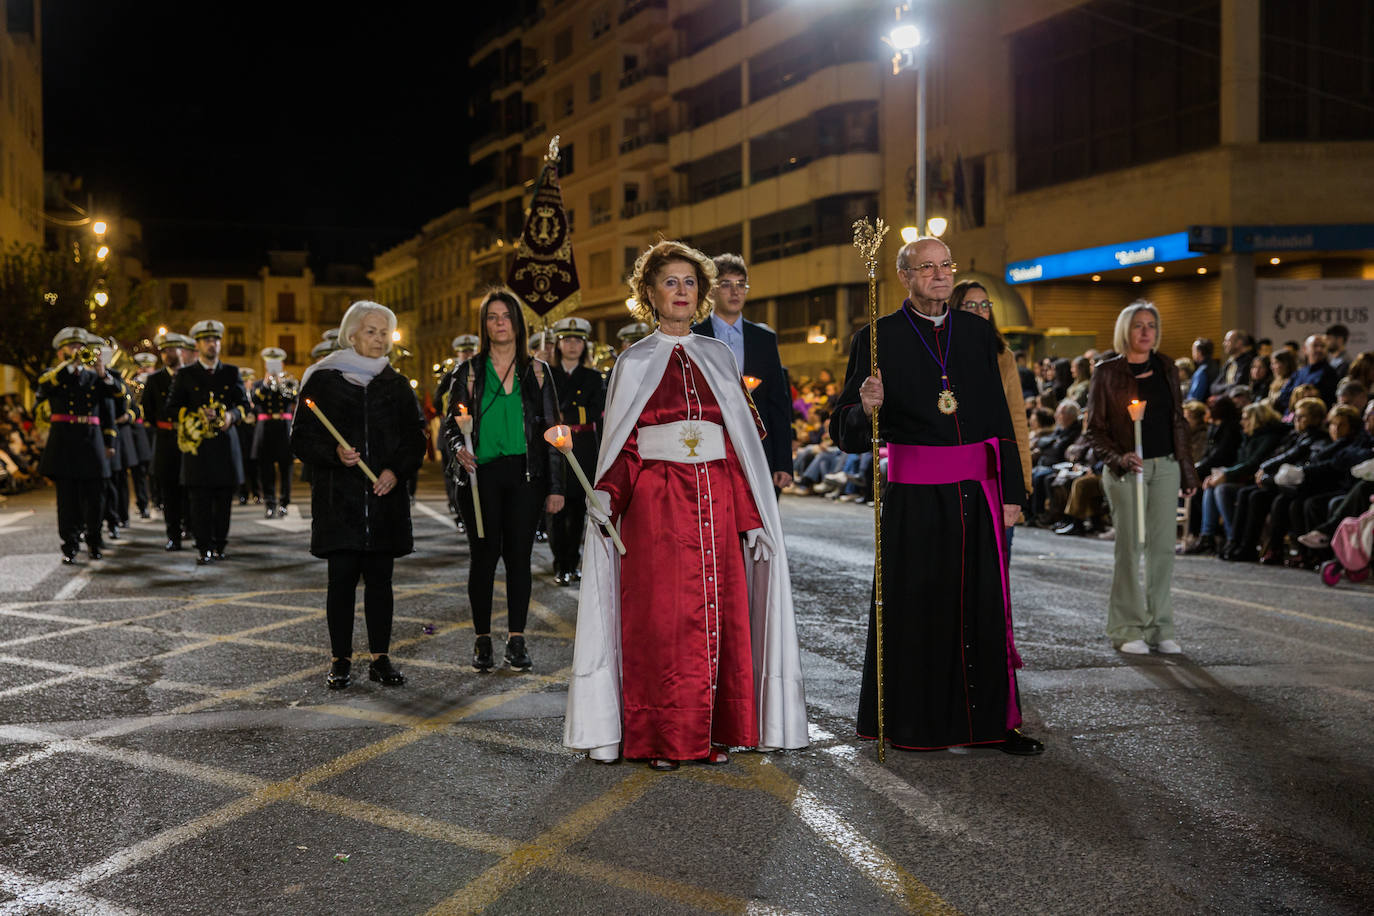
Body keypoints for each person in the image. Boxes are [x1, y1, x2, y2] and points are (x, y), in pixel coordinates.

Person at [564, 239, 808, 769]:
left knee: (717, 619)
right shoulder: (633, 362)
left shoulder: (720, 357)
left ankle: (710, 735)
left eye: (690, 282)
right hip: (656, 508)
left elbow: (739, 447)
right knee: (662, 623)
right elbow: (626, 446)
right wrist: (606, 494)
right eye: (670, 282)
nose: (681, 291)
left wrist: (753, 517)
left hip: (718, 505)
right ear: (650, 293)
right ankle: (658, 738)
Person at [828, 236, 1040, 755]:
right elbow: (845, 432)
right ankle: (917, 725)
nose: (940, 275)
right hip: (915, 498)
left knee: (982, 608)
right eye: (927, 267)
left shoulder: (977, 333)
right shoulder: (877, 338)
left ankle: (992, 725)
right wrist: (865, 407)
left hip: (976, 491)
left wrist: (1013, 490)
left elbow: (1001, 420)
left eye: (946, 266)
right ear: (905, 276)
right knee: (919, 609)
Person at [294, 301, 426, 689]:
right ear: (352, 335)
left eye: (385, 332)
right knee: (342, 583)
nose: (379, 339)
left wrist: (394, 471)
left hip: (384, 500)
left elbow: (415, 437)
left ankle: (380, 658)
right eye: (371, 331)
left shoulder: (396, 384)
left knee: (381, 583)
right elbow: (301, 438)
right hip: (340, 502)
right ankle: (340, 659)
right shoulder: (323, 380)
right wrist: (333, 454)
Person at [443, 288, 565, 672]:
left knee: (518, 559)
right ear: (485, 325)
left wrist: (556, 486)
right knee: (482, 559)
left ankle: (516, 638)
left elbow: (554, 432)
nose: (499, 323)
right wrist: (456, 449)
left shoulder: (539, 372)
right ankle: (482, 639)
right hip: (481, 477)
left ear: (518, 323)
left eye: (506, 316)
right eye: (492, 317)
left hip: (526, 476)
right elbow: (451, 424)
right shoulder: (469, 371)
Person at [1085, 300, 1199, 655]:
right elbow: (1095, 430)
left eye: (1151, 324)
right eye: (1138, 325)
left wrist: (1186, 468)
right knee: (1130, 548)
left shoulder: (1167, 367)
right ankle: (1126, 627)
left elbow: (1178, 422)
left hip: (1164, 466)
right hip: (1126, 471)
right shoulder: (1106, 373)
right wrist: (1119, 458)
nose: (1146, 331)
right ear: (1125, 331)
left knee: (1164, 549)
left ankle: (1160, 627)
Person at [691, 253, 794, 493]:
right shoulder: (694, 337)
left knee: (763, 524)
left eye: (740, 285)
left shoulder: (764, 338)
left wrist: (784, 463)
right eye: (726, 284)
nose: (735, 292)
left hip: (759, 448)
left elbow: (778, 403)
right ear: (711, 290)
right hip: (710, 447)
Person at [166, 319, 249, 565]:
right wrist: (195, 416)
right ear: (198, 344)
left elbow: (243, 405)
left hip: (224, 445)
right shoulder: (186, 374)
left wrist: (231, 416)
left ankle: (220, 544)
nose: (213, 344)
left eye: (216, 340)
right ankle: (204, 547)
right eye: (207, 340)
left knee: (224, 501)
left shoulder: (231, 372)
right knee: (199, 501)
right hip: (198, 447)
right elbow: (171, 408)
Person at [949, 280, 1033, 518]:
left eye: (985, 305)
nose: (979, 311)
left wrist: (1022, 483)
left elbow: (1017, 420)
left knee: (997, 551)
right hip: (954, 470)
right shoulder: (942, 354)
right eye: (971, 305)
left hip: (995, 467)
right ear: (955, 309)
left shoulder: (1003, 356)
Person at [36, 327, 120, 563]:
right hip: (63, 442)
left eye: (79, 347)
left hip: (91, 441)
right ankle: (70, 544)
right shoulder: (52, 374)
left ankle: (94, 541)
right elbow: (44, 389)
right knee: (67, 500)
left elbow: (114, 400)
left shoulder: (94, 376)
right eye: (71, 347)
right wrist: (70, 367)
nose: (76, 351)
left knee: (95, 498)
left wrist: (104, 373)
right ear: (61, 351)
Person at [547, 316, 605, 585]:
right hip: (555, 448)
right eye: (567, 340)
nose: (572, 345)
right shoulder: (547, 373)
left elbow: (596, 411)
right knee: (556, 509)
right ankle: (560, 562)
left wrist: (563, 412)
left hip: (582, 448)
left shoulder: (593, 377)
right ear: (558, 344)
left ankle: (573, 560)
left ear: (585, 346)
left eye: (578, 341)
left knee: (578, 510)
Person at [1194, 401, 1286, 557]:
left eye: (1246, 418)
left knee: (1222, 489)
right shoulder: (1248, 437)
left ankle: (1233, 538)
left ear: (1256, 419)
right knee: (1211, 486)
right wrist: (1221, 474)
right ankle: (1207, 536)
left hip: (1254, 480)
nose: (1242, 422)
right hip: (1242, 477)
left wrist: (1226, 475)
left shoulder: (1269, 437)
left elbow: (1253, 463)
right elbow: (1239, 462)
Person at [142, 332, 192, 550]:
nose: (167, 354)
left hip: (191, 437)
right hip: (165, 440)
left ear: (181, 351)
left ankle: (191, 527)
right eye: (163, 351)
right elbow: (150, 413)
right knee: (169, 490)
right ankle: (173, 535)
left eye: (171, 350)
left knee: (191, 487)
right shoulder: (154, 380)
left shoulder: (192, 376)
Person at [252, 347, 297, 518]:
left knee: (286, 470)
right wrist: (266, 384)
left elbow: (293, 398)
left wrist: (280, 383)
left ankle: (284, 503)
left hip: (284, 429)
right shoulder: (258, 384)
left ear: (282, 364)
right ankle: (270, 504)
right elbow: (254, 401)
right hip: (265, 430)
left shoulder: (289, 383)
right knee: (266, 470)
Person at [1275, 334, 1339, 413]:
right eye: (1315, 346)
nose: (1319, 349)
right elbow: (1283, 396)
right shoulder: (1299, 373)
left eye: (1322, 346)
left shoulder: (1330, 374)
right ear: (1305, 349)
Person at [1210, 329, 1255, 398]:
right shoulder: (1229, 362)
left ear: (1238, 343)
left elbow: (1238, 385)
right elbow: (1214, 387)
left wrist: (1223, 392)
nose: (1224, 344)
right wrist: (1229, 386)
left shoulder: (1248, 362)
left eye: (1227, 341)